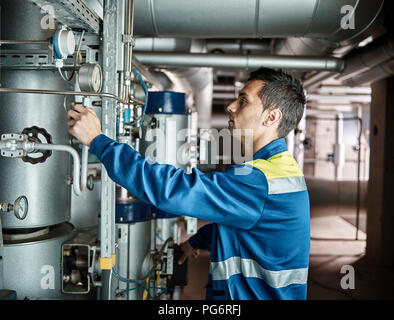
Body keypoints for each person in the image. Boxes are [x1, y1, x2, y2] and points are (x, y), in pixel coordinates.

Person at [67, 67, 310, 300]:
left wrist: (98, 141)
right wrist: (196, 240)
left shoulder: (259, 181)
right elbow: (253, 229)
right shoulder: (280, 169)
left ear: (272, 117)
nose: (230, 106)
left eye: (243, 101)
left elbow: (170, 190)